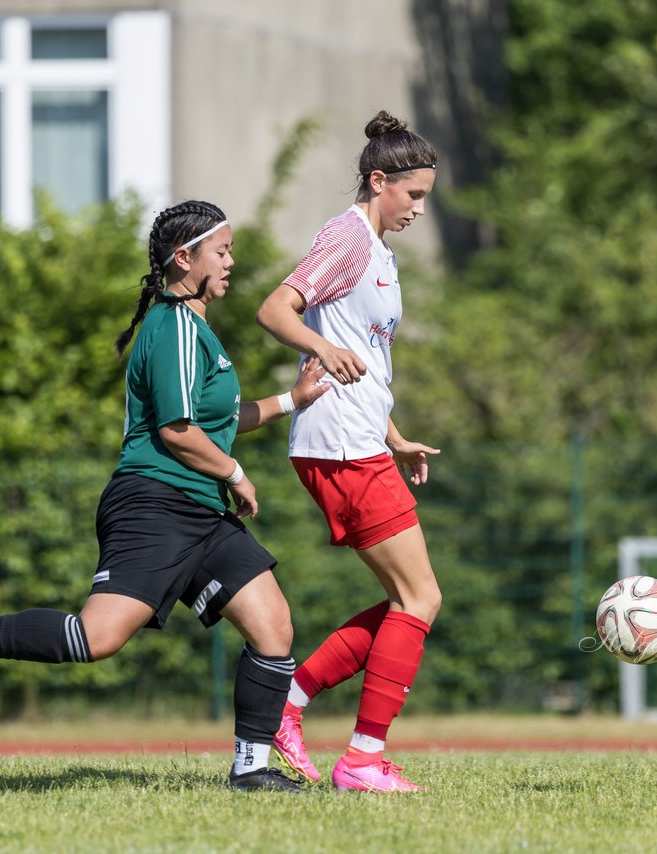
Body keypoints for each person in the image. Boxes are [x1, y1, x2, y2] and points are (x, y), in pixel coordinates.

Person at [0, 200, 327, 793]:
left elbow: (219, 416)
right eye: (221, 251)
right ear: (185, 258)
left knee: (273, 623)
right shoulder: (173, 324)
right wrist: (234, 474)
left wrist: (291, 401)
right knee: (94, 639)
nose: (231, 261)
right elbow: (179, 433)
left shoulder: (196, 328)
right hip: (155, 502)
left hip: (199, 509)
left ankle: (251, 769)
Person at [255, 111, 441, 793]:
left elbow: (369, 355)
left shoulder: (380, 250)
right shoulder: (347, 237)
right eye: (413, 195)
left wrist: (395, 436)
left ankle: (291, 706)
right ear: (378, 179)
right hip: (337, 447)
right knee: (419, 598)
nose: (419, 209)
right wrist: (320, 349)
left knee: (408, 601)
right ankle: (361, 758)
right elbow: (276, 309)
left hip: (360, 442)